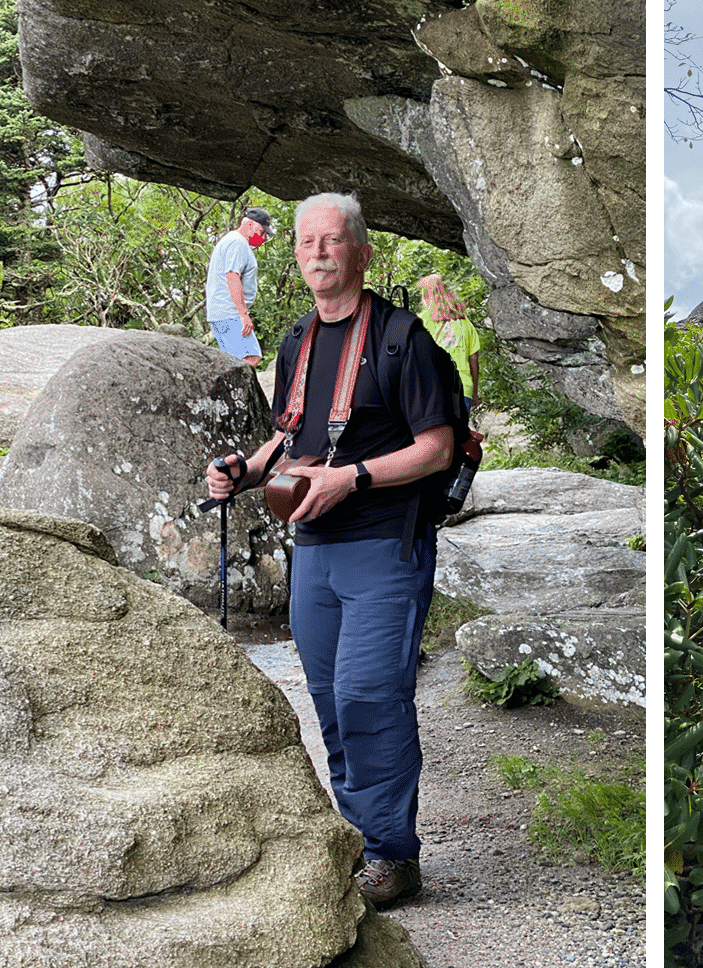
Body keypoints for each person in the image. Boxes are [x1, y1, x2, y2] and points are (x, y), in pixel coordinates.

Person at [204, 192, 456, 907]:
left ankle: (392, 853)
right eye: (307, 242)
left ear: (362, 252)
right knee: (329, 699)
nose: (318, 251)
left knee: (370, 692)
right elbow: (290, 434)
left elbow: (436, 449)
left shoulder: (404, 339)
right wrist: (242, 473)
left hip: (385, 542)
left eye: (333, 240)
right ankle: (359, 833)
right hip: (313, 548)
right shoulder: (299, 341)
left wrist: (354, 477)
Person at [205, 207, 275, 367]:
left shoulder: (232, 241)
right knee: (250, 357)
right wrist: (243, 314)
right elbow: (232, 276)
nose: (263, 238)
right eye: (261, 232)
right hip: (230, 313)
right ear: (249, 225)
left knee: (233, 362)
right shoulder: (237, 243)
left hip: (223, 312)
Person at [417, 274, 481, 411]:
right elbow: (474, 359)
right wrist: (474, 392)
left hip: (433, 388)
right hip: (463, 388)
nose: (422, 300)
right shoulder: (465, 323)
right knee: (459, 431)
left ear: (428, 297)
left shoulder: (421, 321)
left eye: (423, 296)